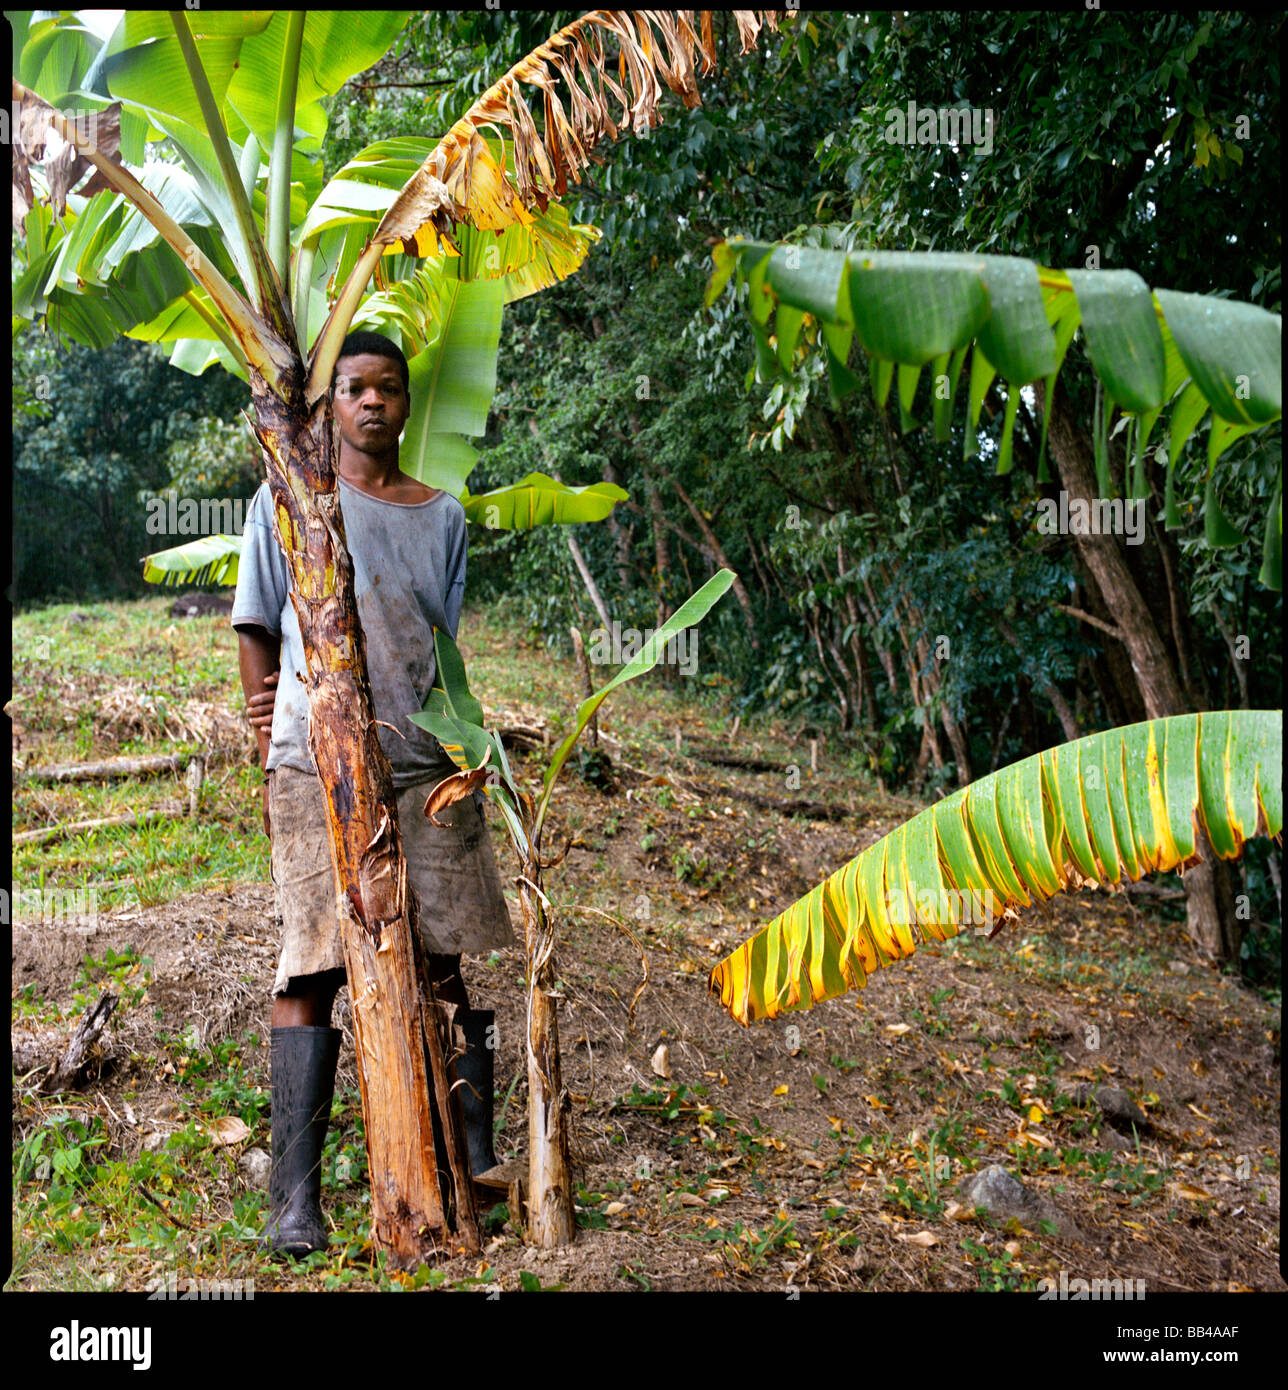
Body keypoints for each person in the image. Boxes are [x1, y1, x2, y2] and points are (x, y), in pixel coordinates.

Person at [231, 329, 513, 1258]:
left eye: (387, 388)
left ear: (405, 400)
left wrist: (467, 751)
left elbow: (446, 647)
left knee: (444, 961)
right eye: (353, 388)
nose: (371, 403)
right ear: (330, 402)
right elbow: (259, 624)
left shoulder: (443, 517)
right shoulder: (291, 499)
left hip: (427, 767)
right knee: (310, 965)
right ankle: (294, 1204)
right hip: (318, 765)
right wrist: (266, 724)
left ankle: (474, 1163)